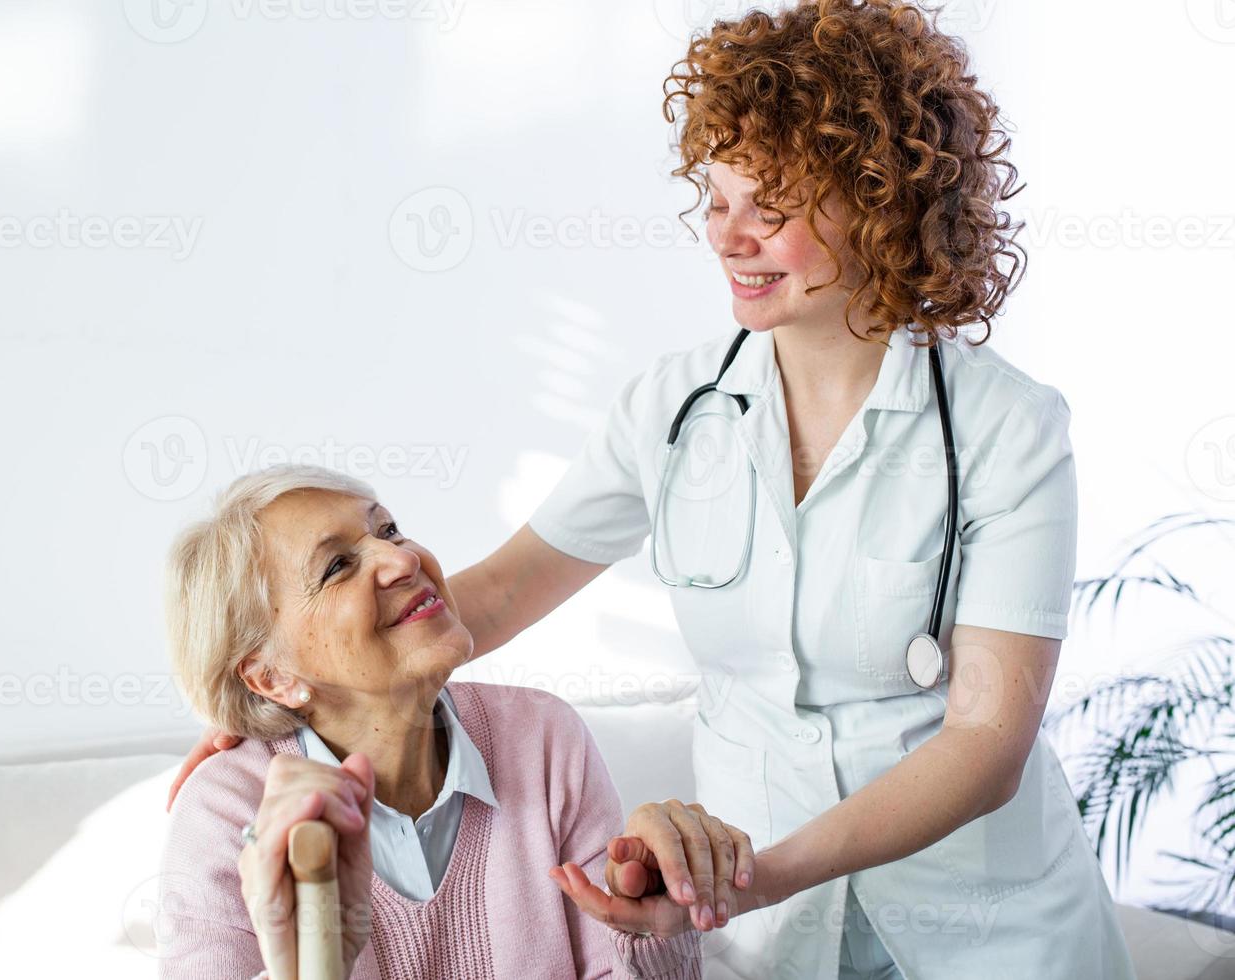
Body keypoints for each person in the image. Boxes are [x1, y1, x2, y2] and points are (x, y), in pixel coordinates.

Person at [170, 1, 1138, 976]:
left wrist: (766, 869)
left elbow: (987, 738)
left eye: (773, 205)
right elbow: (500, 593)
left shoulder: (1007, 430)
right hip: (774, 945)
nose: (731, 236)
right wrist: (282, 688)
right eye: (715, 199)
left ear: (881, 200)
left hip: (985, 932)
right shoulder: (673, 411)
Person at [158, 465, 757, 979]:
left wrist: (657, 921)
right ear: (271, 678)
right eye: (338, 566)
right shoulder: (226, 813)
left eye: (388, 529)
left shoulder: (543, 737)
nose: (402, 558)